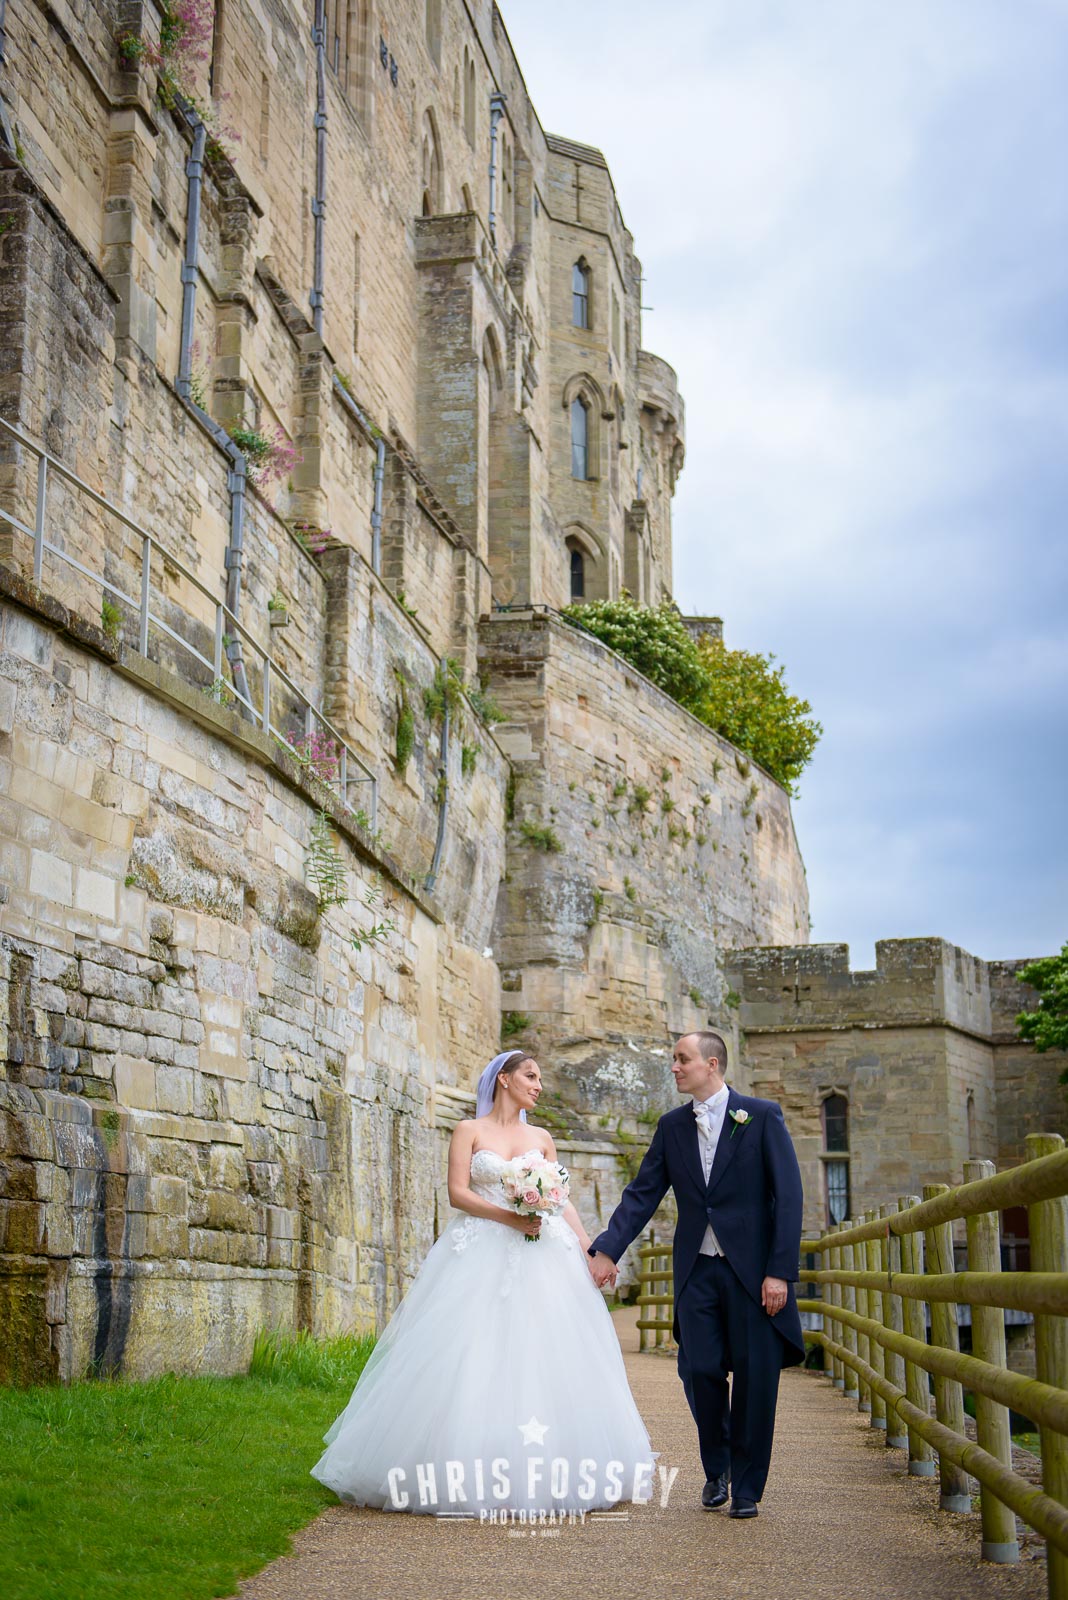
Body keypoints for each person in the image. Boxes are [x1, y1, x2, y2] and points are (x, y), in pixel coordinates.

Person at [311, 1049, 655, 1513]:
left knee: (549, 1349)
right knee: (472, 1346)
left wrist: (588, 1246)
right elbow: (458, 1193)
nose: (537, 1085)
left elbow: (562, 1201)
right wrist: (507, 1218)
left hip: (544, 1251)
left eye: (539, 1078)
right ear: (504, 1080)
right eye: (530, 1076)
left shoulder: (542, 1137)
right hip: (482, 1247)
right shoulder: (468, 1131)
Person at [588, 1030, 804, 1520]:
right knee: (699, 1369)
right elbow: (643, 1194)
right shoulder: (671, 1127)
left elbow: (789, 1198)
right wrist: (606, 1249)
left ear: (712, 1064)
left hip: (752, 1275)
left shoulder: (762, 1116)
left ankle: (748, 1489)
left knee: (754, 1378)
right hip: (698, 1271)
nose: (675, 1067)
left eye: (682, 1060)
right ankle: (718, 1467)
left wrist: (779, 1272)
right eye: (673, 1060)